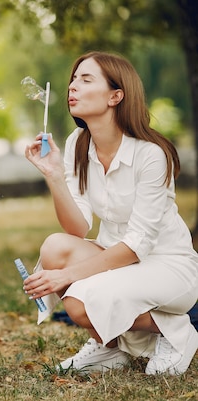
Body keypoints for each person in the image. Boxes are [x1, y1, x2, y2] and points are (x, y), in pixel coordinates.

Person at [23, 51, 198, 375]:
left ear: (116, 95)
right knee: (54, 248)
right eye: (73, 79)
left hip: (165, 264)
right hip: (115, 257)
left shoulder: (152, 154)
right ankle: (109, 348)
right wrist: (54, 176)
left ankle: (176, 332)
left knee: (78, 301)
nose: (73, 86)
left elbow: (137, 246)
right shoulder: (78, 143)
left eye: (86, 79)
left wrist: (67, 277)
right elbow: (77, 228)